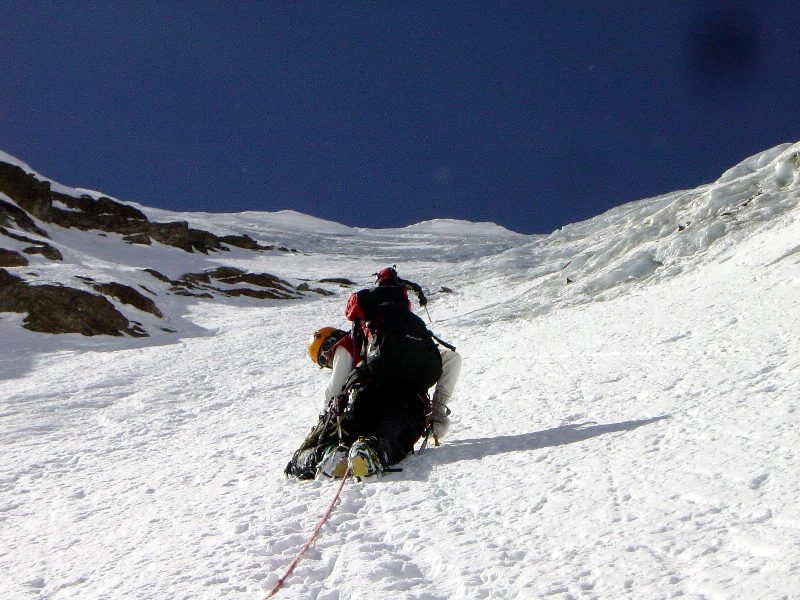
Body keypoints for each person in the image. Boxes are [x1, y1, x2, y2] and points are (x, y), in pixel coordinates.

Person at [284, 268, 461, 479]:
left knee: (329, 440)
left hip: (367, 397)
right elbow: (452, 359)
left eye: (324, 356)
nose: (328, 359)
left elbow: (334, 389)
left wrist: (326, 419)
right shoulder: (405, 335)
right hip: (409, 402)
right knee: (393, 433)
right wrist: (437, 410)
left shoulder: (352, 342)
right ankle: (371, 452)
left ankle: (327, 456)